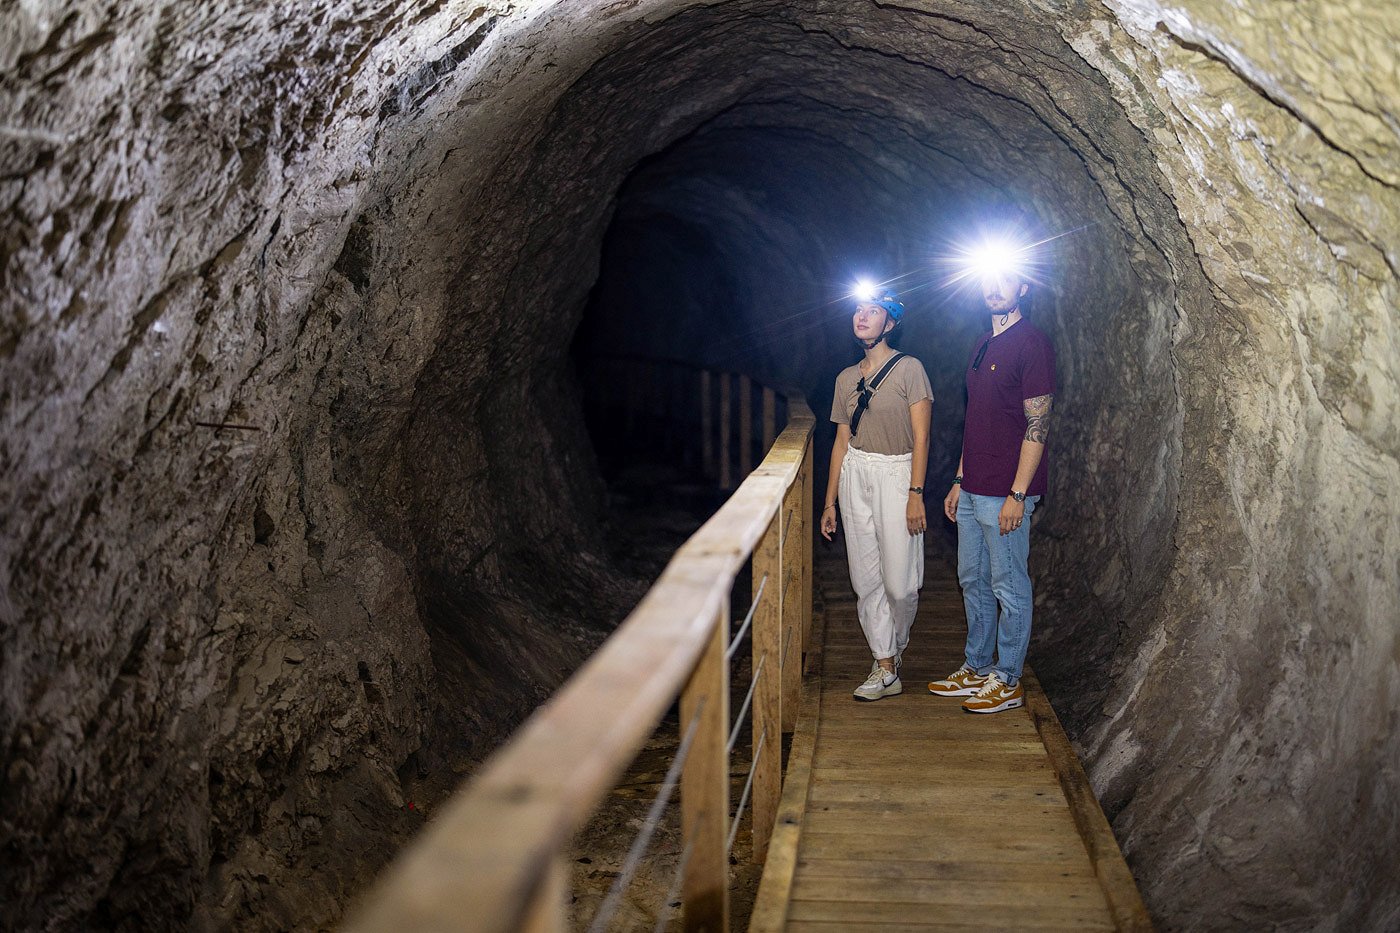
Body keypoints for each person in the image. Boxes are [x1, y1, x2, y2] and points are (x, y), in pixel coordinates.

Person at [929, 266, 1056, 713]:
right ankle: (977, 666)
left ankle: (1008, 679)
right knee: (973, 580)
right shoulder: (982, 343)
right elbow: (977, 417)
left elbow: (1037, 424)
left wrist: (1018, 494)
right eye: (988, 278)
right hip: (973, 486)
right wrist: (960, 478)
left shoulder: (1032, 344)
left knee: (1009, 585)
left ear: (1023, 287)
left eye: (1005, 278)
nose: (994, 286)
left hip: (1006, 491)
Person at [820, 288, 933, 701]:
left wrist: (916, 492)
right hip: (856, 473)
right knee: (865, 577)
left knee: (901, 583)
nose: (862, 316)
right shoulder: (846, 379)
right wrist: (829, 501)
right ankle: (884, 664)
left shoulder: (910, 370)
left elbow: (921, 437)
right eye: (857, 309)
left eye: (873, 311)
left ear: (890, 323)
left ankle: (896, 644)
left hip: (897, 471)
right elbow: (840, 442)